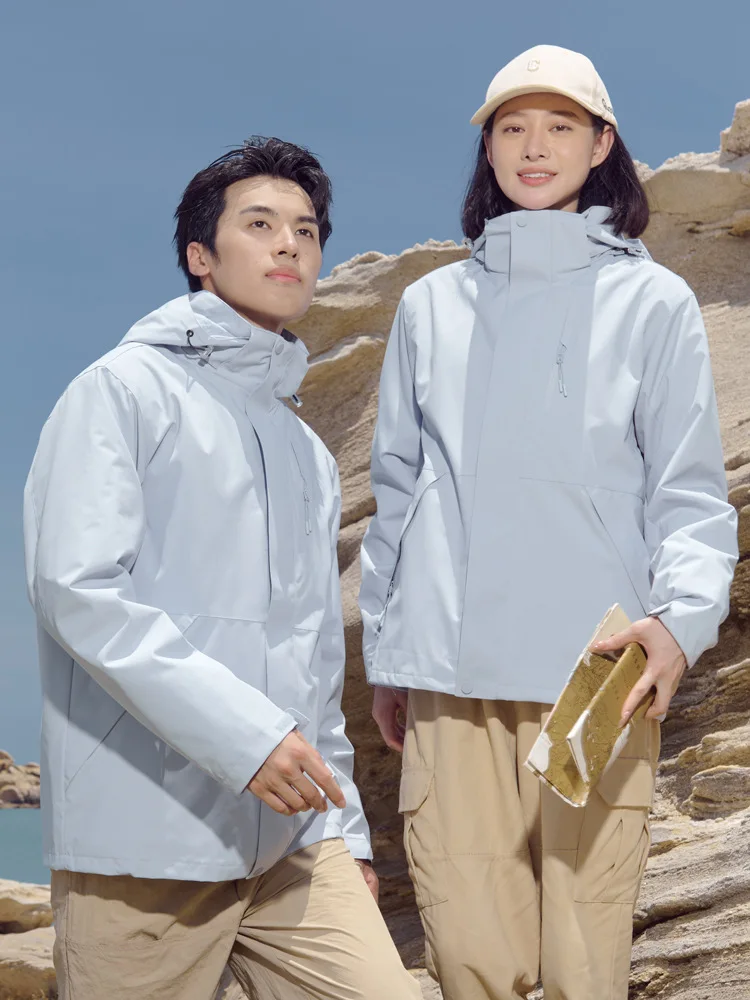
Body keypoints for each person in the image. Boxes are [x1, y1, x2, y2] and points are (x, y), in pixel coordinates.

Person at [359, 45, 738, 1000]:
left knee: (584, 953)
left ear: (602, 144)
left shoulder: (652, 301)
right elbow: (398, 489)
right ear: (487, 148)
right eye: (513, 128)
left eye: (560, 127)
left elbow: (688, 489)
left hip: (596, 671)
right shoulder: (430, 306)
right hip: (448, 674)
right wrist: (389, 655)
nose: (534, 148)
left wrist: (680, 622)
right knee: (470, 957)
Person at [24, 137, 421, 1000]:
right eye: (260, 224)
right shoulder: (120, 390)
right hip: (143, 843)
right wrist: (247, 741)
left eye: (306, 231)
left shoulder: (308, 453)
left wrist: (346, 831)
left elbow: (314, 660)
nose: (289, 246)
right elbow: (77, 592)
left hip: (294, 843)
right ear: (200, 257)